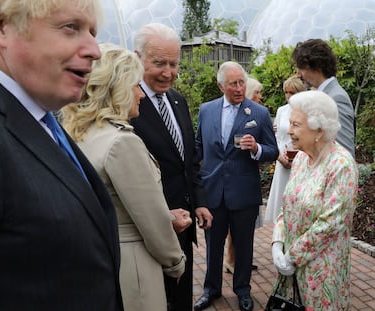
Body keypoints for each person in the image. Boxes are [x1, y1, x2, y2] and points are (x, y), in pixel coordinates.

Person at [0, 1, 123, 310]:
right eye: (71, 28)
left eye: (92, 32)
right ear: (1, 26)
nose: (95, 49)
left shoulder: (39, 117)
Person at [60, 43, 187, 311]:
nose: (140, 93)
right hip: (134, 268)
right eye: (135, 85)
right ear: (117, 89)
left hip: (100, 258)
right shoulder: (122, 143)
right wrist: (176, 262)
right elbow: (152, 222)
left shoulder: (77, 134)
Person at [130, 23, 213, 311]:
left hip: (184, 225)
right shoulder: (127, 106)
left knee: (181, 299)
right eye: (159, 63)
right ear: (137, 58)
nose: (168, 72)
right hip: (150, 230)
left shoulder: (177, 100)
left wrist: (199, 201)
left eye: (174, 63)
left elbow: (188, 161)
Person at [194, 61, 279, 311]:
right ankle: (211, 290)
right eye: (234, 83)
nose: (240, 88)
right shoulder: (206, 110)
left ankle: (243, 291)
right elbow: (199, 146)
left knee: (243, 247)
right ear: (221, 85)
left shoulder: (259, 114)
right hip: (213, 193)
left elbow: (273, 150)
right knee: (212, 246)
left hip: (243, 193)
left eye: (242, 82)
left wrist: (257, 149)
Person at [271, 90, 358, 310]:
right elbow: (287, 204)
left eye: (296, 125)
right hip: (291, 270)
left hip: (321, 272)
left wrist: (291, 256)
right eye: (290, 123)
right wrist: (277, 242)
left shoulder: (342, 165)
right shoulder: (300, 158)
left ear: (319, 129)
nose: (289, 131)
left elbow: (330, 224)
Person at [224, 76, 264, 273]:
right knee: (232, 229)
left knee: (244, 230)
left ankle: (239, 262)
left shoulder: (260, 113)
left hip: (247, 184)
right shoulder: (219, 111)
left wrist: (257, 147)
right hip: (228, 184)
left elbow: (269, 148)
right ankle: (231, 260)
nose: (260, 96)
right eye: (257, 92)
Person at [291, 38, 355, 157]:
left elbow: (345, 154)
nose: (298, 74)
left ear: (317, 67)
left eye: (301, 68)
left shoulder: (336, 98)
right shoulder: (322, 96)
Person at [264, 76, 307, 223]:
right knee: (281, 203)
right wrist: (279, 157)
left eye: (292, 93)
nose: (288, 96)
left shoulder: (307, 111)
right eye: (286, 92)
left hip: (301, 161)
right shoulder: (282, 110)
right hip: (282, 161)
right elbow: (275, 137)